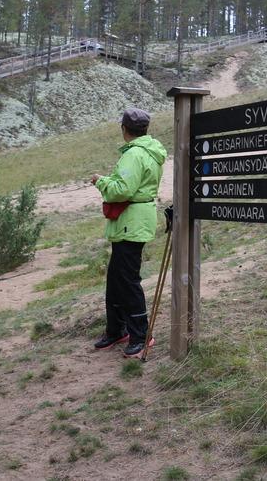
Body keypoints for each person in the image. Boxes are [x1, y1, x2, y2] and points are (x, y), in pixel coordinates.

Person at [90, 108, 167, 358]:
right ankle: (117, 330)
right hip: (134, 221)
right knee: (116, 279)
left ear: (124, 129)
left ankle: (141, 335)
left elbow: (122, 190)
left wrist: (101, 181)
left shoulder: (134, 154)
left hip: (131, 223)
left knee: (127, 281)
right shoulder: (148, 151)